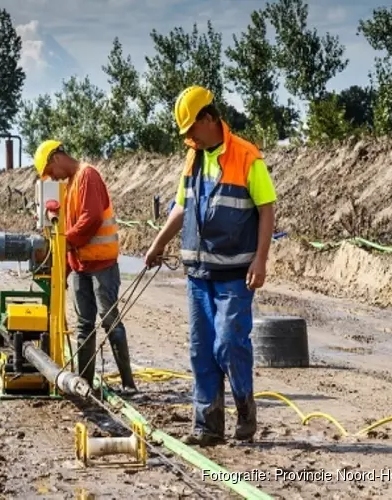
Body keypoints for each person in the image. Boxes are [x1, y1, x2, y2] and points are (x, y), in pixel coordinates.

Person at [145, 86, 277, 446]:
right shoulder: (193, 159)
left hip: (235, 273)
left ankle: (245, 414)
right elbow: (181, 207)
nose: (188, 138)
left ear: (208, 119)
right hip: (198, 274)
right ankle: (207, 425)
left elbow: (266, 209)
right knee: (201, 349)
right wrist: (159, 244)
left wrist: (261, 259)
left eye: (191, 130)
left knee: (229, 343)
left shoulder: (247, 156)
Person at [33, 140, 138, 395]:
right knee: (84, 325)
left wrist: (64, 244)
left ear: (57, 158)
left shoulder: (87, 176)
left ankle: (128, 384)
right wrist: (63, 270)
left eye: (50, 172)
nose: (53, 178)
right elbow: (69, 236)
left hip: (102, 265)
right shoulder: (69, 187)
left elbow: (90, 220)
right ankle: (84, 383)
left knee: (110, 320)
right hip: (81, 266)